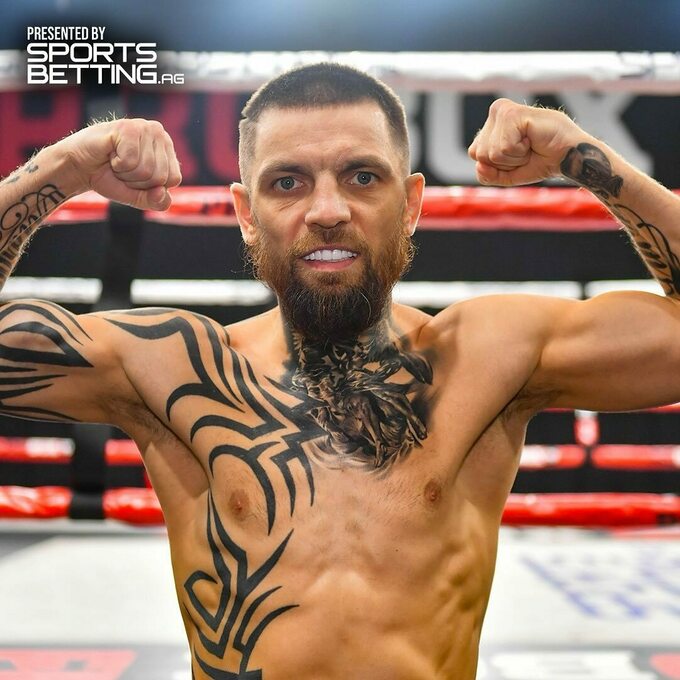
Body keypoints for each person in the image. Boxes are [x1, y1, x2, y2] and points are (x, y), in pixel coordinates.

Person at [1, 63, 679, 680]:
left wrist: (581, 156)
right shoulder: (177, 368)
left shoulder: (486, 357)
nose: (327, 211)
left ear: (410, 204)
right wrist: (62, 166)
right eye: (287, 182)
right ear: (247, 215)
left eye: (362, 177)